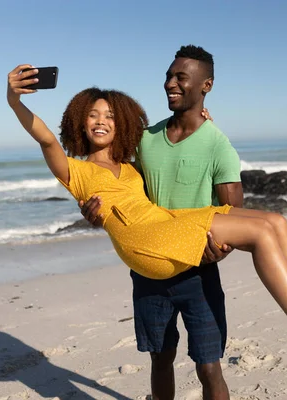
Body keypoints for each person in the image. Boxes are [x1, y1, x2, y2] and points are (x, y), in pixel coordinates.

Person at [6, 61, 287, 373]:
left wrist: (200, 118)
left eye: (110, 116)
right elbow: (44, 139)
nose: (101, 121)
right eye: (92, 115)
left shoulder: (133, 167)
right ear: (78, 121)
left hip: (164, 224)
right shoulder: (73, 171)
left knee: (275, 221)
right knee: (261, 235)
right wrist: (14, 99)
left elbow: (171, 140)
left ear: (122, 125)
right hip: (144, 244)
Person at [80, 45, 242, 400]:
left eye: (181, 77)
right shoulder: (145, 139)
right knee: (160, 358)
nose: (170, 83)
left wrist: (221, 250)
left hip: (197, 271)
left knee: (209, 365)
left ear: (206, 85)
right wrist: (94, 210)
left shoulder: (218, 146)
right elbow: (118, 181)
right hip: (149, 272)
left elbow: (235, 214)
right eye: (168, 76)